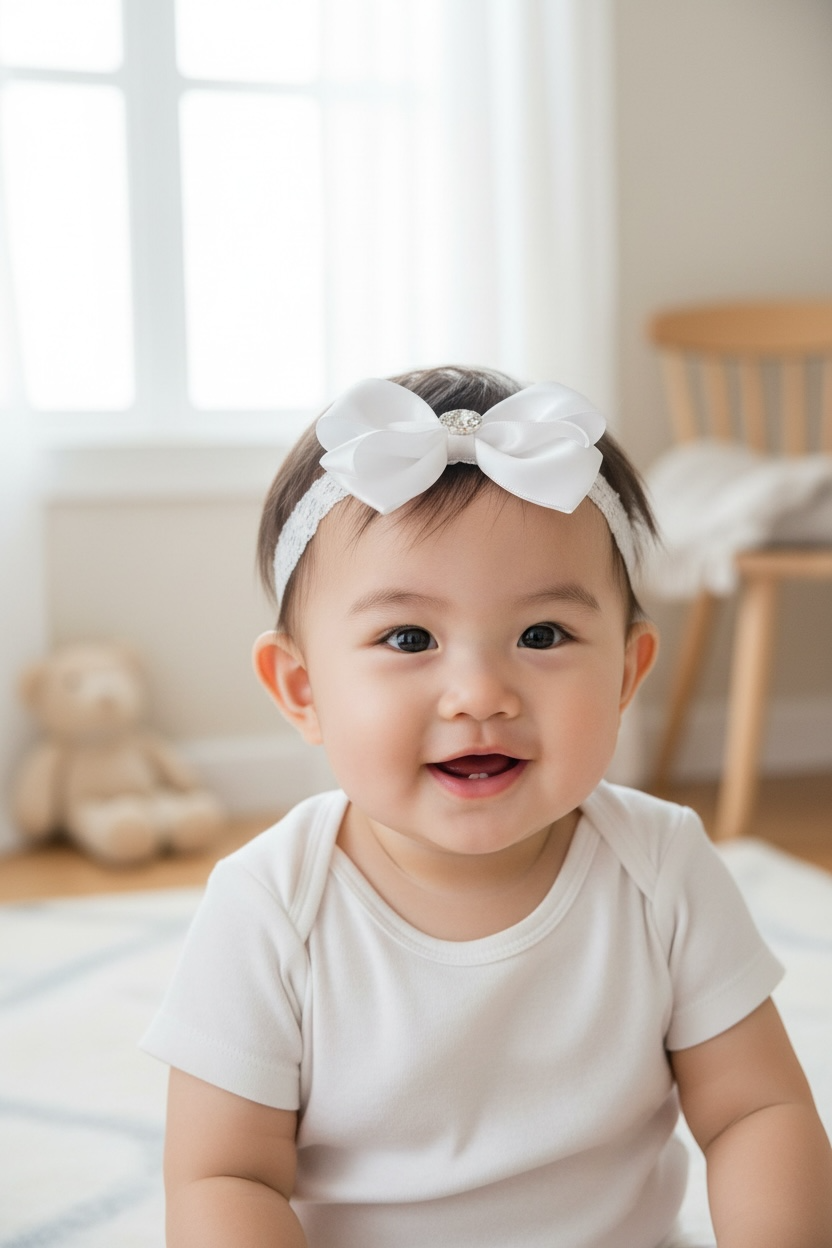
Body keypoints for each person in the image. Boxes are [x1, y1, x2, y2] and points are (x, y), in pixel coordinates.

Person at [142, 366, 832, 1248]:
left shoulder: (660, 865)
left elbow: (756, 1112)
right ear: (302, 687)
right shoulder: (272, 905)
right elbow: (224, 1175)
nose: (478, 694)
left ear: (625, 673)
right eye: (408, 638)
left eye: (542, 636)